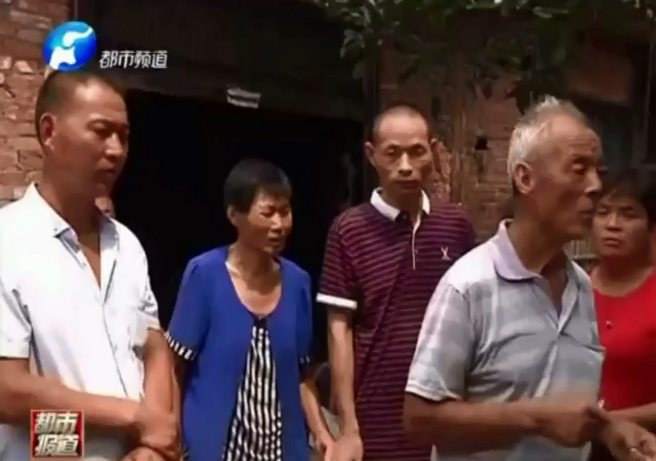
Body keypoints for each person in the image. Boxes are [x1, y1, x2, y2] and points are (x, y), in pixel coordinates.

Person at [403, 96, 656, 461]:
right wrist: (535, 419)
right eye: (579, 169)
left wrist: (609, 429)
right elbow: (419, 419)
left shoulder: (582, 287)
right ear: (525, 178)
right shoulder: (469, 286)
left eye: (597, 171)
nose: (595, 185)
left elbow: (568, 408)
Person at [0, 70, 178, 461]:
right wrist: (133, 419)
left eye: (124, 136)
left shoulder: (127, 246)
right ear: (49, 132)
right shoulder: (8, 241)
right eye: (101, 132)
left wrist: (150, 446)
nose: (116, 150)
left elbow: (154, 347)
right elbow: (7, 394)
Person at [317, 103, 476, 461]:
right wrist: (349, 429)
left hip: (444, 422)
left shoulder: (456, 226)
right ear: (371, 155)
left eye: (417, 152)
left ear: (433, 153)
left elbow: (474, 321)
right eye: (392, 153)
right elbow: (339, 330)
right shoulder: (349, 231)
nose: (405, 166)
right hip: (375, 424)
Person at [165, 159, 334, 461]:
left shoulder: (298, 282)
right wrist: (173, 438)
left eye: (285, 212)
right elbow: (174, 367)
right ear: (234, 215)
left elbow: (302, 376)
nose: (279, 225)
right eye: (267, 213)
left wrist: (322, 433)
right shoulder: (205, 275)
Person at [589, 168, 656, 461]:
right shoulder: (568, 288)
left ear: (651, 226)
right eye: (603, 213)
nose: (612, 225)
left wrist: (601, 421)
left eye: (628, 215)